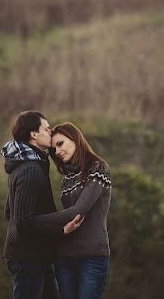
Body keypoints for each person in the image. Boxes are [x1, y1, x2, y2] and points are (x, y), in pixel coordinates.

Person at [3, 110, 84, 299]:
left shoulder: (27, 164)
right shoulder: (30, 169)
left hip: (35, 254)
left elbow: (10, 211)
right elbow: (23, 221)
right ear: (34, 134)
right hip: (28, 257)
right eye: (47, 129)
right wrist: (60, 231)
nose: (50, 132)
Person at [46, 122, 113, 299]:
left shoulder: (98, 168)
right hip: (63, 257)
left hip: (91, 257)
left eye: (60, 144)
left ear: (75, 138)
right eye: (53, 150)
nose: (58, 152)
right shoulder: (67, 178)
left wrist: (38, 220)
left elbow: (79, 210)